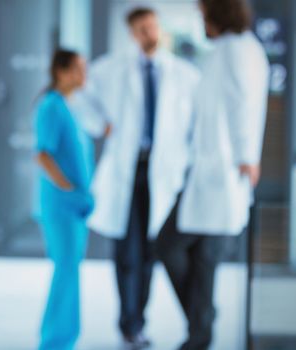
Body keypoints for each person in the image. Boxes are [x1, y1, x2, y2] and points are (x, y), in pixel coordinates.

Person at [74, 7, 200, 348]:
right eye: (142, 29)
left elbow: (195, 125)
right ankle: (130, 325)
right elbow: (79, 95)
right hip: (127, 172)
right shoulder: (111, 69)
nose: (149, 33)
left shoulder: (184, 74)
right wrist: (102, 125)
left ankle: (138, 321)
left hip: (164, 173)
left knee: (149, 252)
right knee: (126, 252)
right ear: (132, 33)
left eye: (152, 27)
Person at [156, 0, 269, 349]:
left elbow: (244, 103)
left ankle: (199, 330)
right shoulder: (224, 50)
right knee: (191, 256)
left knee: (178, 248)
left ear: (218, 13)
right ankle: (200, 324)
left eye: (203, 13)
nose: (200, 19)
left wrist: (248, 156)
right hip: (206, 172)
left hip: (226, 172)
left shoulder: (239, 50)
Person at [33, 49, 94, 350]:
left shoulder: (68, 106)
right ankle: (55, 342)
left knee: (69, 270)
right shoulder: (51, 107)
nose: (85, 75)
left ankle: (64, 338)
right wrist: (68, 189)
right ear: (62, 71)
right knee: (66, 270)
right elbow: (42, 154)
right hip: (61, 206)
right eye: (80, 69)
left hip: (74, 206)